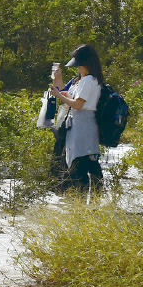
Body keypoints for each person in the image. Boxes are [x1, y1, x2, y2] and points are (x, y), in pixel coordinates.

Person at [49, 44, 104, 191]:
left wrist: (59, 95)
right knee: (90, 164)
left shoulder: (88, 80)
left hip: (82, 127)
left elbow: (78, 105)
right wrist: (59, 83)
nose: (78, 69)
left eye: (80, 66)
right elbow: (73, 98)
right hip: (84, 126)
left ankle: (81, 200)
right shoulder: (88, 80)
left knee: (79, 164)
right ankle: (95, 200)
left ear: (88, 64)